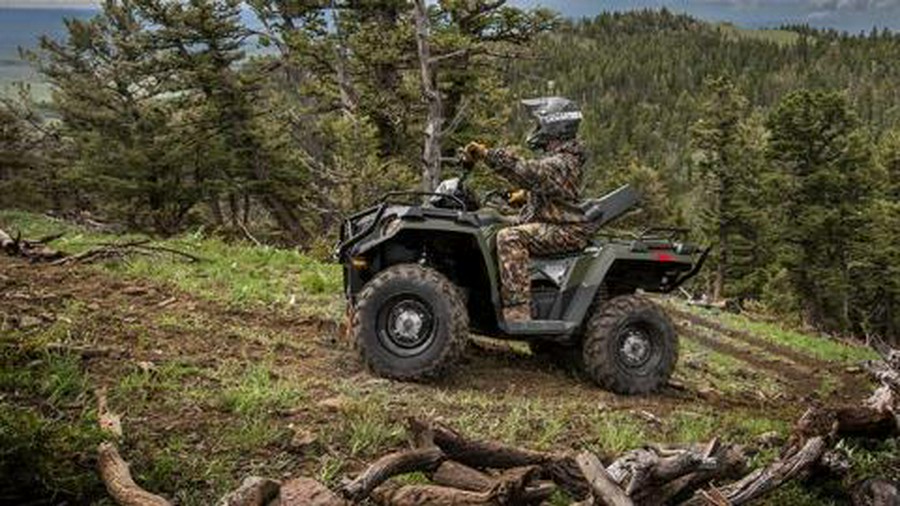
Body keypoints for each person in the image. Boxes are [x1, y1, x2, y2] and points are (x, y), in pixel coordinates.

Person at [464, 97, 592, 325]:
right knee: (492, 223)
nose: (536, 129)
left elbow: (531, 172)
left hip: (566, 229)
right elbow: (549, 187)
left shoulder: (564, 161)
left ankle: (517, 312)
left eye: (539, 123)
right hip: (550, 221)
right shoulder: (559, 159)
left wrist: (488, 155)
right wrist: (524, 197)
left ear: (554, 125)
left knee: (510, 237)